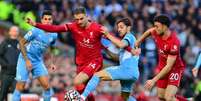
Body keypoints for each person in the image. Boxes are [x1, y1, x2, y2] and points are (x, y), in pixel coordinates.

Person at [26, 7, 138, 101]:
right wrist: (35, 24)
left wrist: (129, 48)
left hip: (95, 61)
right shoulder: (73, 26)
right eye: (76, 19)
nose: (79, 21)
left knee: (77, 81)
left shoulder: (97, 28)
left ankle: (82, 98)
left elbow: (114, 39)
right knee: (81, 88)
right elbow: (54, 28)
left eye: (81, 18)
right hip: (81, 63)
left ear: (86, 16)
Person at [72, 18, 140, 101]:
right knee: (125, 98)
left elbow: (121, 44)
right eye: (118, 27)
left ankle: (82, 98)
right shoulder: (128, 43)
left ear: (128, 28)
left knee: (97, 75)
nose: (119, 30)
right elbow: (116, 57)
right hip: (133, 73)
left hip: (126, 70)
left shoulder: (129, 37)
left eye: (121, 27)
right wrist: (104, 48)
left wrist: (107, 35)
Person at [135, 15, 187, 101]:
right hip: (162, 67)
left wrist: (153, 80)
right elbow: (148, 32)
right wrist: (138, 41)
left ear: (165, 26)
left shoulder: (174, 42)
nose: (155, 28)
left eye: (157, 26)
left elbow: (169, 66)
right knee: (161, 97)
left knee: (168, 98)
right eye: (154, 26)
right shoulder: (156, 32)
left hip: (174, 69)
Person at [12, 10, 57, 101]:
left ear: (52, 20)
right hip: (24, 59)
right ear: (42, 20)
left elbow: (52, 48)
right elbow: (21, 42)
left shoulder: (54, 34)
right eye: (45, 19)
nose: (47, 21)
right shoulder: (35, 31)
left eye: (49, 19)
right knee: (20, 87)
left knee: (47, 87)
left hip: (37, 61)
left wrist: (52, 62)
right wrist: (27, 60)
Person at [0, 26, 20, 101]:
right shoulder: (5, 42)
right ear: (10, 32)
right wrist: (5, 64)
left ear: (18, 33)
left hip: (16, 74)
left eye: (16, 31)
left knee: (17, 93)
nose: (15, 33)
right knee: (2, 94)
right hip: (6, 73)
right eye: (13, 31)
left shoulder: (20, 44)